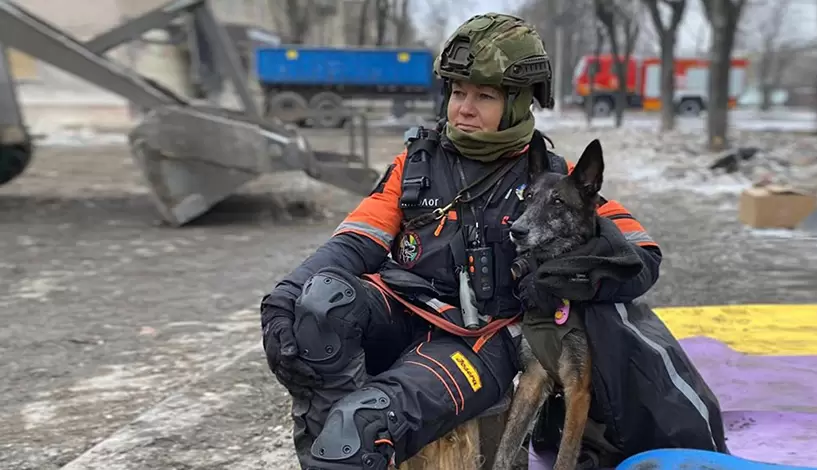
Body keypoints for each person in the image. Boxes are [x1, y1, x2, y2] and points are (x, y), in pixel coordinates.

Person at [260, 12, 726, 470]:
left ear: (520, 103)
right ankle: (332, 448)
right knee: (320, 303)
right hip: (399, 310)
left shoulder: (551, 181)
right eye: (458, 92)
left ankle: (350, 437)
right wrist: (289, 291)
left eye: (483, 96)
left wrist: (574, 278)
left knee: (358, 428)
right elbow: (354, 242)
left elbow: (642, 254)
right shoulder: (415, 166)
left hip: (477, 340)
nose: (464, 107)